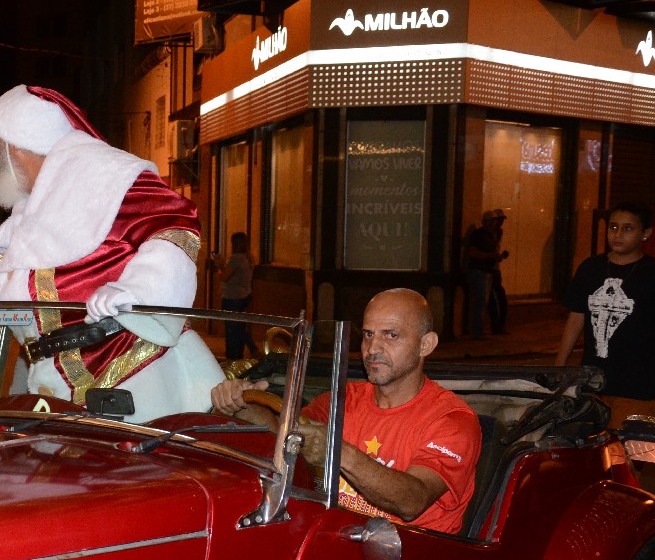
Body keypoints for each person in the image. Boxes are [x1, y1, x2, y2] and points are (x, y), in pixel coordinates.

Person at [0, 84, 220, 422]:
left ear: (15, 144)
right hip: (58, 389)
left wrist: (137, 292)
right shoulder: (30, 212)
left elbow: (175, 226)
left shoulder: (110, 177)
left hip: (138, 380)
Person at [212, 288, 480, 535]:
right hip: (336, 543)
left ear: (425, 345)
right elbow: (282, 433)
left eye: (391, 335)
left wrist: (336, 452)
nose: (373, 349)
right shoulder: (343, 400)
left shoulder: (452, 420)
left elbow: (412, 501)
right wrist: (241, 404)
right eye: (368, 334)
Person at [555, 201, 655, 426]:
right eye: (613, 227)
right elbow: (576, 318)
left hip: (638, 387)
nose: (618, 234)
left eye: (628, 228)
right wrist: (559, 365)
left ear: (645, 233)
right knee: (593, 452)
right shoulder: (590, 268)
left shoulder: (650, 274)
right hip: (592, 383)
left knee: (629, 453)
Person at [210, 231, 260, 360]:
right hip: (244, 296)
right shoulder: (248, 258)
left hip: (233, 298)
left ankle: (235, 356)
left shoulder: (236, 258)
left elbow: (224, 277)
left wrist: (219, 267)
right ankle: (246, 351)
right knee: (239, 327)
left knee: (232, 329)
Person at [465, 209, 509, 338]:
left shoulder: (492, 235)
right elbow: (473, 253)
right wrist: (490, 256)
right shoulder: (479, 235)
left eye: (495, 221)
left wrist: (498, 256)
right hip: (479, 272)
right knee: (481, 302)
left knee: (484, 302)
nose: (494, 223)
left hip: (488, 272)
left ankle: (481, 330)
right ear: (484, 221)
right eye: (492, 221)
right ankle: (477, 332)